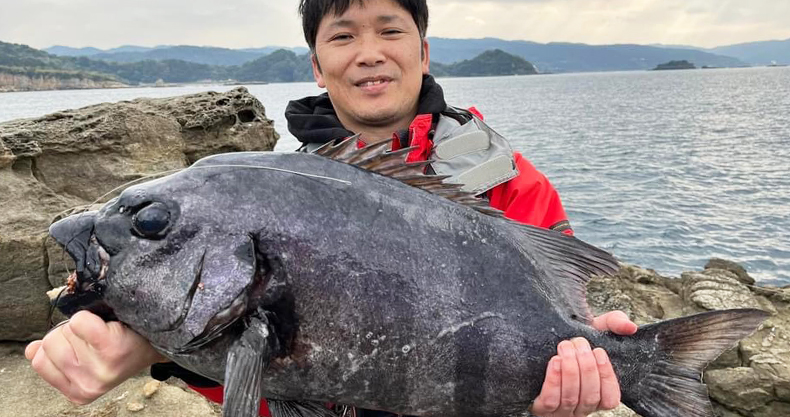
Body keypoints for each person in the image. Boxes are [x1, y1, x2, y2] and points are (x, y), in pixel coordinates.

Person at [24, 1, 638, 416]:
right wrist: (147, 348)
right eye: (343, 36)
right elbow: (248, 363)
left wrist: (587, 352)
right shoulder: (270, 188)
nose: (369, 52)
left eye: (390, 31)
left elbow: (562, 315)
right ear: (318, 66)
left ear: (424, 53)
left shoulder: (513, 184)